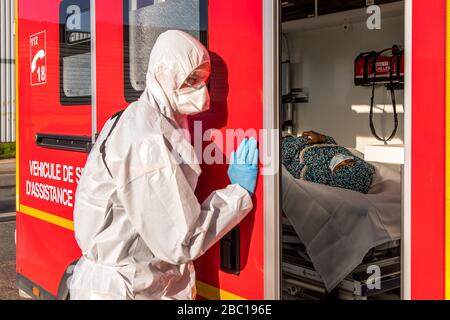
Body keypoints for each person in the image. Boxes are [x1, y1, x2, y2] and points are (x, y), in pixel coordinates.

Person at [69, 30, 259, 300]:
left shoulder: (147, 119)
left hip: (132, 282)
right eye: (190, 79)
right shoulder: (145, 136)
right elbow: (180, 239)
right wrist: (237, 194)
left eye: (203, 80)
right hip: (122, 290)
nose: (201, 90)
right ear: (162, 74)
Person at [282, 131, 375, 193]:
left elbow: (286, 157)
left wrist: (301, 141)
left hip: (282, 142)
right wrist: (323, 138)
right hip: (292, 138)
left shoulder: (314, 169)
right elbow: (332, 146)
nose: (345, 159)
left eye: (343, 165)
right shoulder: (345, 156)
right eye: (351, 161)